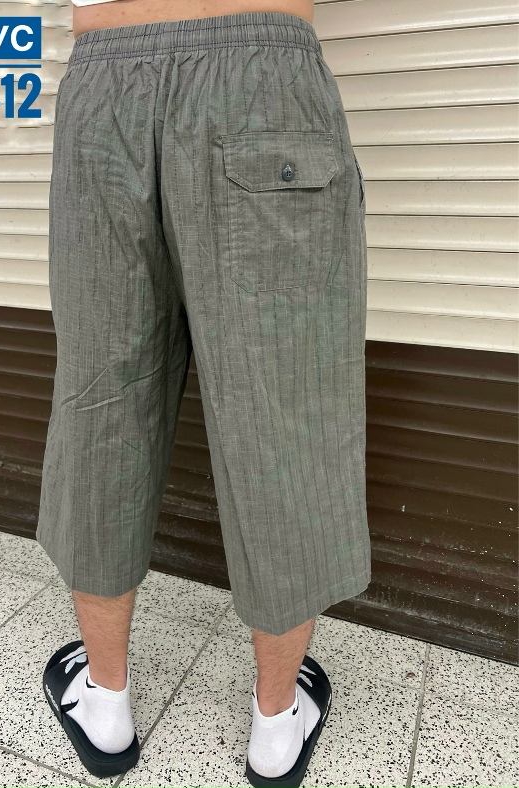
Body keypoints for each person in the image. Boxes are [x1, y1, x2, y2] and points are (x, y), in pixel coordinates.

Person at [37, 1, 371, 786]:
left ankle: (106, 703)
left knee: (102, 401)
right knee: (284, 409)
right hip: (264, 78)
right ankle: (276, 726)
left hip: (103, 87)